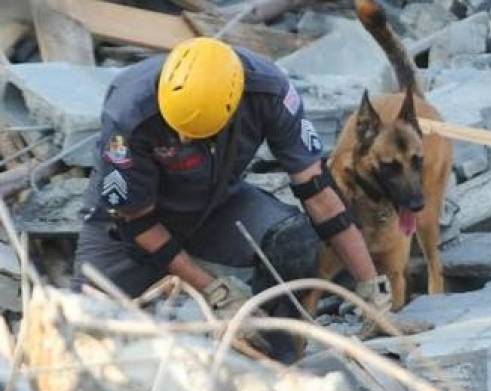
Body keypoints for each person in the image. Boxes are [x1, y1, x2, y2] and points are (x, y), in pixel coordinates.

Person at [73, 37, 390, 362]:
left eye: (194, 134)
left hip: (217, 205)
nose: (182, 140)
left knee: (293, 241)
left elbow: (319, 192)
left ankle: (275, 359)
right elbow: (136, 221)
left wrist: (370, 287)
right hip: (131, 224)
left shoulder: (269, 93)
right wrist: (217, 292)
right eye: (177, 130)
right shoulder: (130, 111)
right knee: (82, 332)